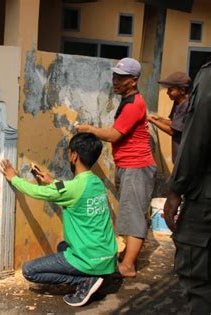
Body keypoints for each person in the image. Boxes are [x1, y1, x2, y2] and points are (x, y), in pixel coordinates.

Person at [0, 133, 117, 307]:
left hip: (89, 258)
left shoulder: (73, 188)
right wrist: (53, 181)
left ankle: (84, 281)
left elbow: (37, 192)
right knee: (63, 246)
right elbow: (69, 190)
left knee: (29, 271)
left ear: (74, 155)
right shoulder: (97, 182)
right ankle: (97, 276)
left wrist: (14, 178)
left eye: (69, 152)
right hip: (107, 257)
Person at [75, 57, 156, 278]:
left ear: (134, 80)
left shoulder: (134, 104)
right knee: (130, 212)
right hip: (130, 165)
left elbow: (113, 135)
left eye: (121, 78)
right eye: (114, 76)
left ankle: (128, 265)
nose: (115, 81)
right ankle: (128, 258)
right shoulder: (128, 99)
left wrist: (88, 129)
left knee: (134, 215)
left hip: (136, 166)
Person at [164, 63, 211, 313]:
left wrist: (175, 189)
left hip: (204, 197)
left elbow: (195, 140)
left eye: (171, 89)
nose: (168, 94)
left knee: (197, 277)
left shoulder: (208, 78)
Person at [147, 72, 191, 163]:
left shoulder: (187, 105)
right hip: (178, 155)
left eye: (170, 90)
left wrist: (152, 120)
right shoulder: (177, 102)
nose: (167, 93)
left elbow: (172, 131)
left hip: (185, 157)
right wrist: (159, 119)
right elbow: (174, 123)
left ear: (182, 90)